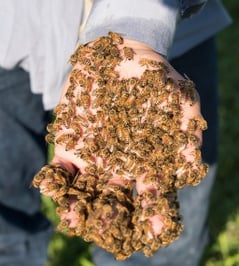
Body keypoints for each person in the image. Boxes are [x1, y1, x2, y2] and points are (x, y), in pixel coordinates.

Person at [0, 1, 231, 266]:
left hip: (168, 36)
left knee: (163, 212)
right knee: (6, 212)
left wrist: (134, 25)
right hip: (11, 27)